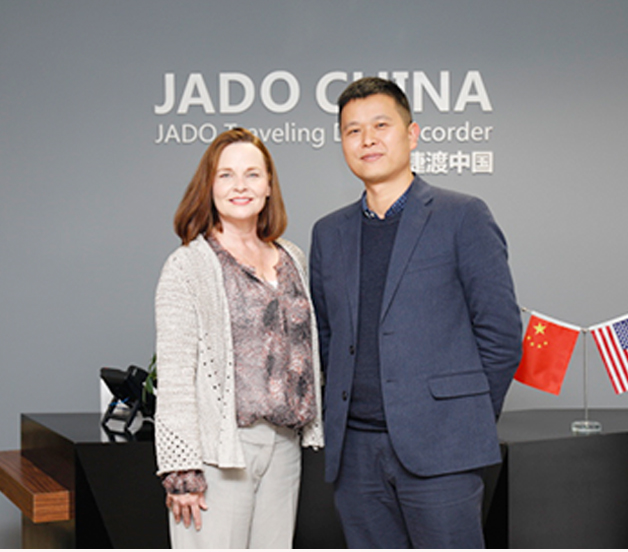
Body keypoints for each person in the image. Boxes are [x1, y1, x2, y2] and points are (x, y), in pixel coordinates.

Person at [309, 77, 522, 548]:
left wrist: (461, 420)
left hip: (443, 451)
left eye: (380, 125)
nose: (367, 140)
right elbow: (327, 336)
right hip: (355, 456)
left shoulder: (462, 215)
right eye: (353, 130)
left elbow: (502, 336)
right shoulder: (328, 233)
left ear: (412, 134)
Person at [154, 127, 323, 549]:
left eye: (252, 174)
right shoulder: (187, 265)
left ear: (268, 186)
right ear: (209, 187)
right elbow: (175, 378)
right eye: (226, 175)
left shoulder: (293, 258)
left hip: (284, 447)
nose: (240, 186)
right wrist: (182, 471)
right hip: (219, 453)